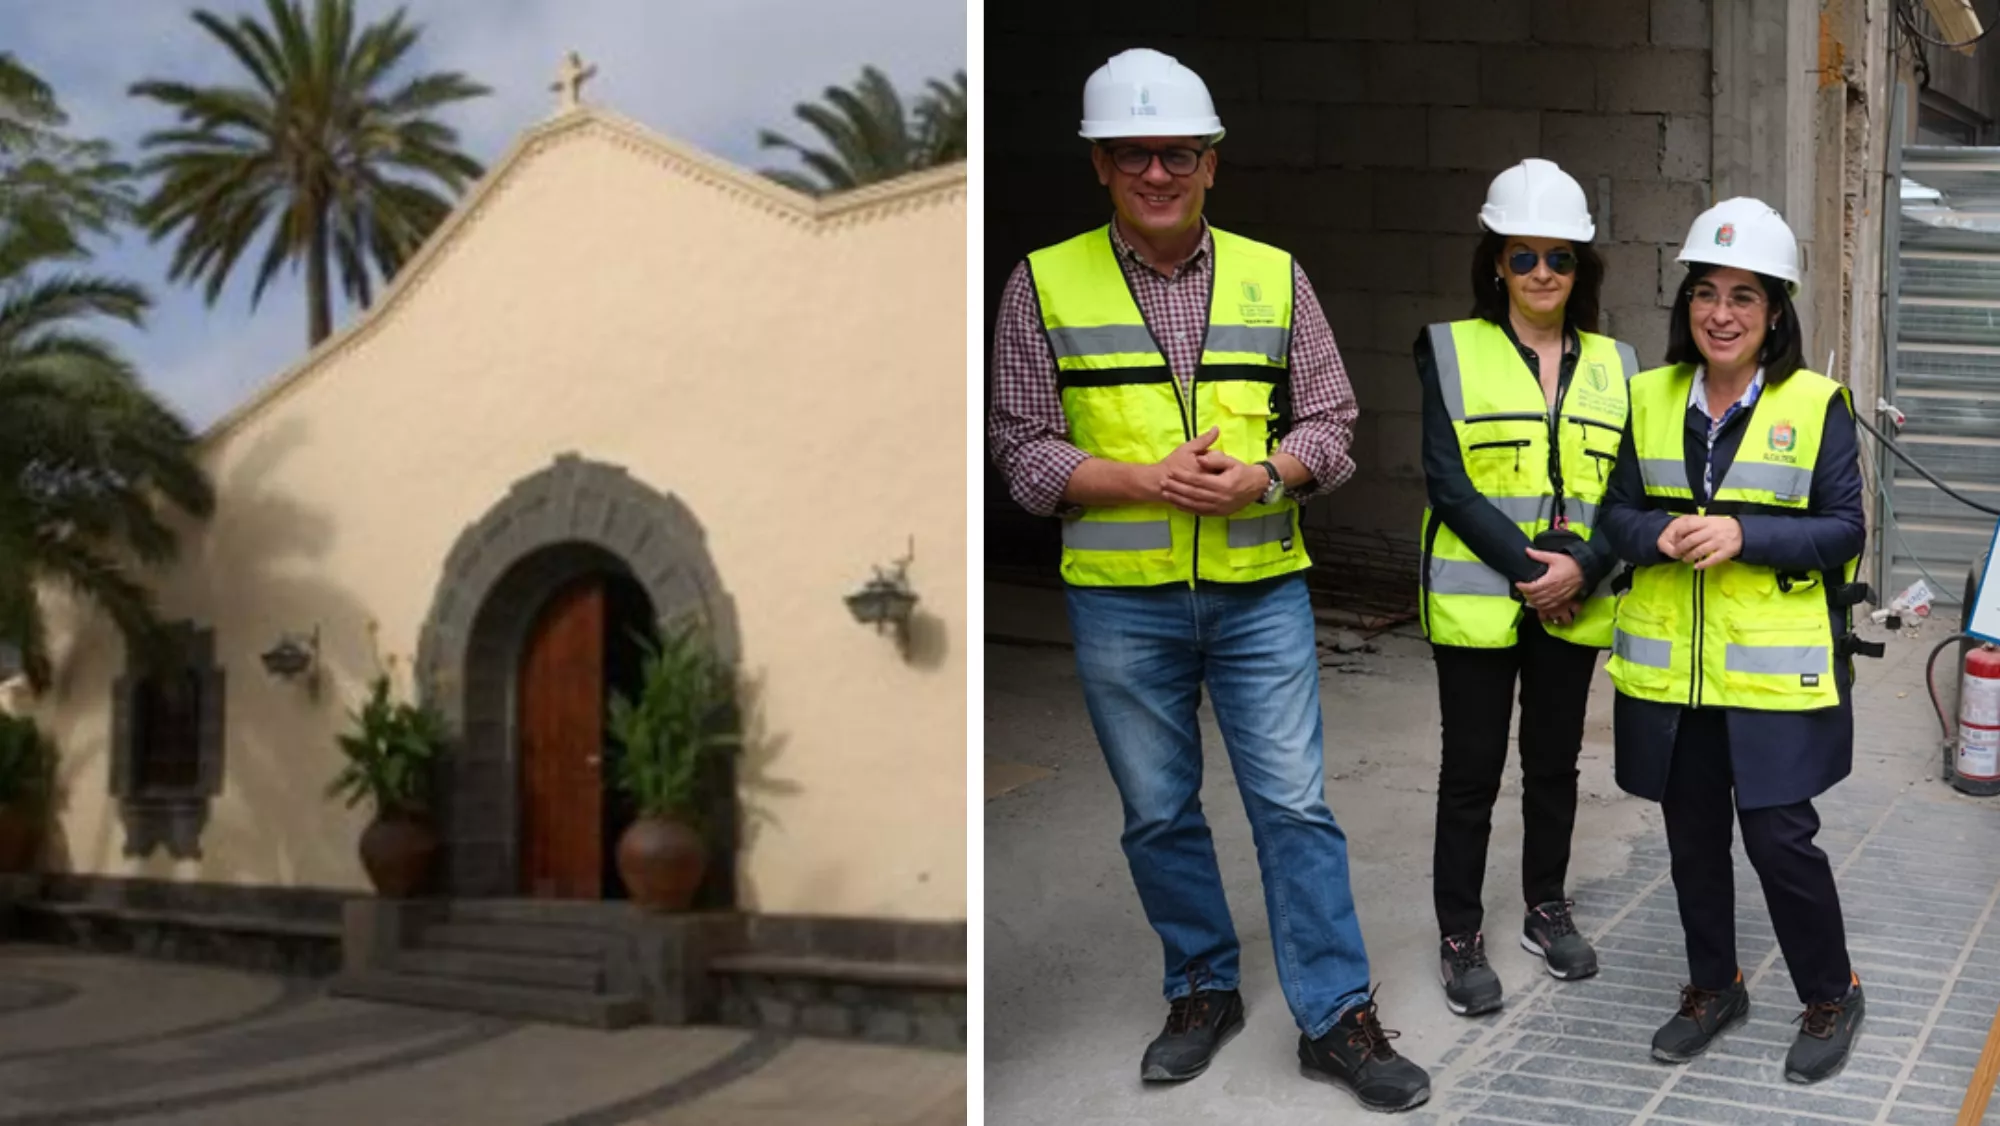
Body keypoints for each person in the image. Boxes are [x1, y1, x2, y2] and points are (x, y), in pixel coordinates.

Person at [987, 47, 1430, 1113]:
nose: (1154, 171)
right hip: (1118, 602)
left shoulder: (1273, 275)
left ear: (1210, 162)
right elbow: (1020, 448)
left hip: (1257, 591)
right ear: (1097, 164)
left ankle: (1333, 1014)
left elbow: (1332, 422)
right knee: (1155, 812)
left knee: (1293, 806)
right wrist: (1146, 480)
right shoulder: (1040, 282)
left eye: (1175, 151)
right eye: (1130, 153)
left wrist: (1266, 475)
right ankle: (1201, 987)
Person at [1596, 197, 1882, 1083]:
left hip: (1769, 670)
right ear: (1687, 305)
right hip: (1677, 670)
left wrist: (1745, 535)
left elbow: (1844, 530)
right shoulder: (1649, 398)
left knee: (1778, 839)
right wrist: (1659, 537)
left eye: (1745, 297)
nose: (1722, 313)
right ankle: (1712, 985)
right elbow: (1615, 515)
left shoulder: (1815, 403)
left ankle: (1831, 991)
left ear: (1775, 314)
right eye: (1706, 293)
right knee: (1690, 837)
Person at [1414, 158, 1636, 1017]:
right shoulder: (1449, 347)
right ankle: (1460, 932)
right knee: (1470, 771)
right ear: (1495, 263)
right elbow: (1449, 483)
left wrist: (1585, 566)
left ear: (1583, 269)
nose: (1543, 272)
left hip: (1577, 595)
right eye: (1524, 256)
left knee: (1553, 764)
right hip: (1479, 599)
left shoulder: (1619, 363)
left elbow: (1627, 491)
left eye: (1561, 257)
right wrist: (1533, 571)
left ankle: (1545, 907)